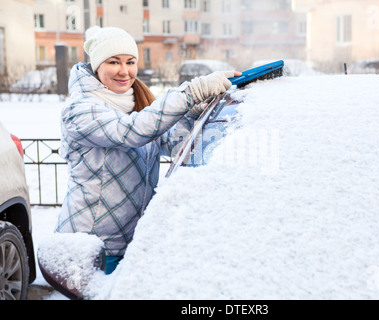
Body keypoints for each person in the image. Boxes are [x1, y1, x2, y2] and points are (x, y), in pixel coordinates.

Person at [55, 26, 240, 274]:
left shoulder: (137, 105)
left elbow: (173, 144)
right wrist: (191, 93)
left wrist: (192, 114)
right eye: (114, 62)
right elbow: (131, 133)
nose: (124, 71)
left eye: (130, 62)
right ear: (97, 65)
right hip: (89, 249)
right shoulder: (80, 110)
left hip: (132, 245)